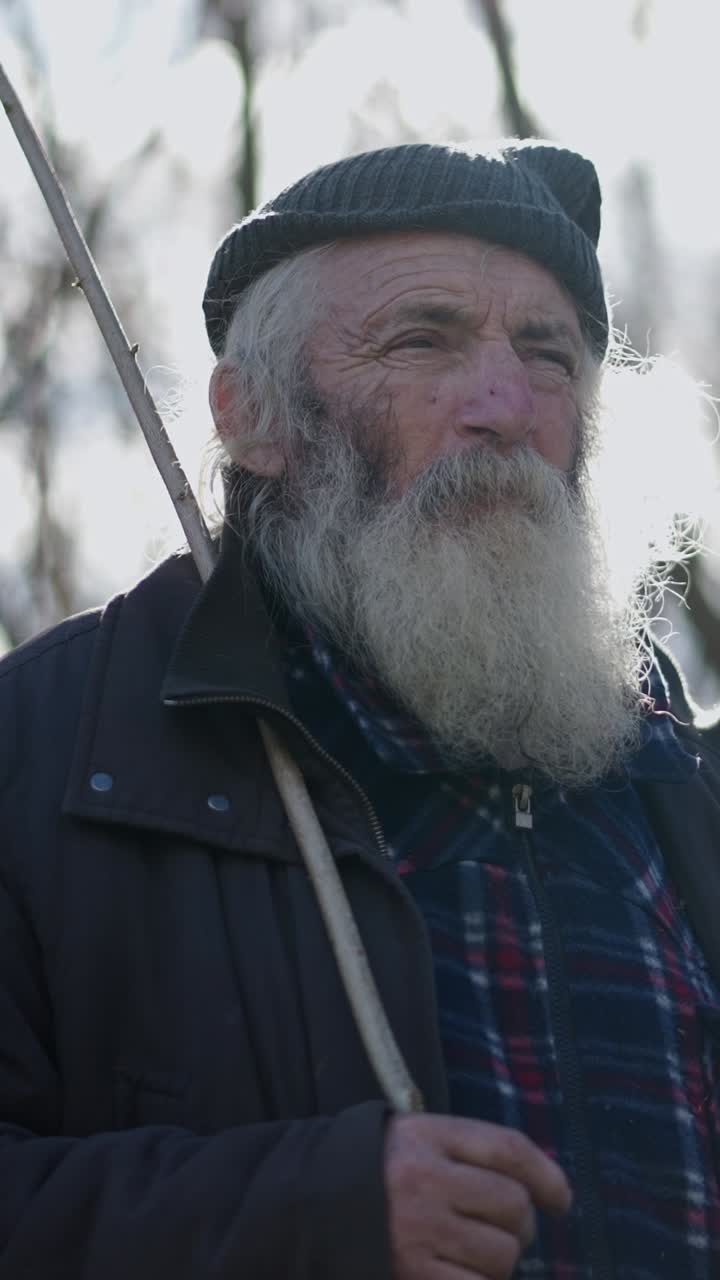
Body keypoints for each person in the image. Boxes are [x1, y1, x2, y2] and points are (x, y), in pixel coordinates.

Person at [1, 140, 719, 1280]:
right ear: (255, 418)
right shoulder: (40, 751)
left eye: (549, 354)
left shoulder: (683, 782)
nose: (505, 404)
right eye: (422, 340)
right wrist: (307, 1217)